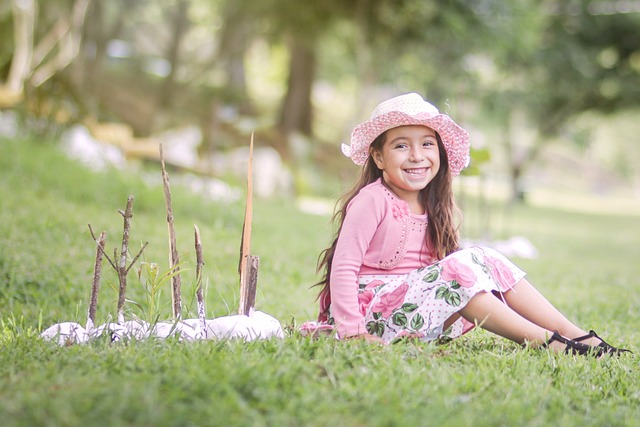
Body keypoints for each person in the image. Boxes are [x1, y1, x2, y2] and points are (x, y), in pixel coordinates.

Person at [313, 92, 629, 356]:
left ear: (439, 152)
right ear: (378, 158)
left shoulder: (434, 204)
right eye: (400, 145)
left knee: (484, 257)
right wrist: (352, 332)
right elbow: (344, 267)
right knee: (459, 268)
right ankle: (549, 343)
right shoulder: (372, 200)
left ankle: (578, 336)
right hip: (371, 316)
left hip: (412, 310)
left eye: (426, 144)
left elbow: (437, 272)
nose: (416, 155)